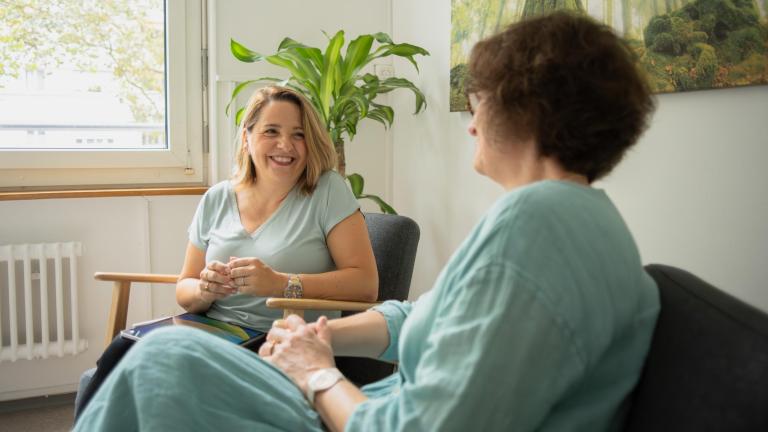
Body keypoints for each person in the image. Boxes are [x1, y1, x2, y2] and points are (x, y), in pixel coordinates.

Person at [74, 11, 659, 431]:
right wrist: (319, 336)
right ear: (248, 139)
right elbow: (419, 314)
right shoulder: (562, 218)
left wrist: (319, 374)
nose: (471, 122)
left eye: (479, 100)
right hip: (356, 386)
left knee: (160, 365)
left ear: (529, 107)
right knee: (154, 360)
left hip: (365, 409)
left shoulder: (534, 231)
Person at [74, 86, 378, 416]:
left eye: (299, 135)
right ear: (247, 137)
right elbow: (185, 288)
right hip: (213, 330)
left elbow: (364, 285)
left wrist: (279, 283)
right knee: (124, 349)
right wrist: (205, 289)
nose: (285, 145)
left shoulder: (327, 191)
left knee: (161, 366)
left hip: (278, 340)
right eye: (271, 131)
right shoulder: (217, 198)